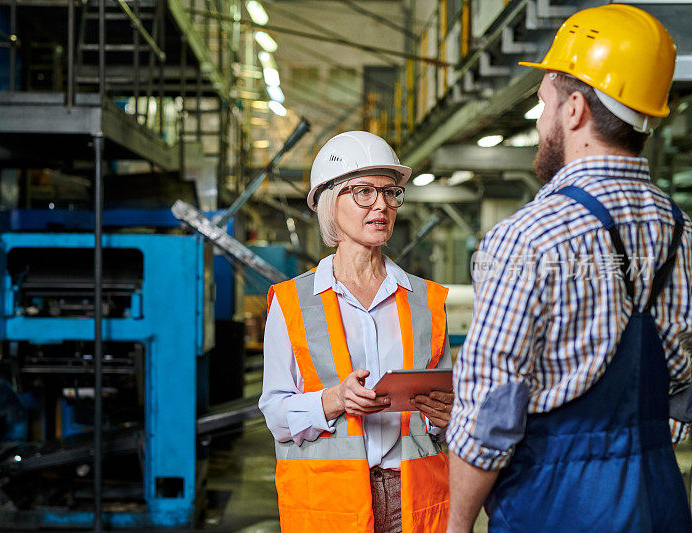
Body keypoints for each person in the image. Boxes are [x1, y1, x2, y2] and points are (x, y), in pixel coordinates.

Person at [446, 5, 692, 532]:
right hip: (660, 501)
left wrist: (457, 524)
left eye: (542, 104)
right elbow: (680, 393)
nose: (539, 122)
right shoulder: (682, 233)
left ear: (575, 108)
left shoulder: (529, 238)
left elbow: (490, 415)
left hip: (558, 510)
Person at [259, 131, 453, 533]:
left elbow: (443, 408)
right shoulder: (292, 302)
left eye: (389, 192)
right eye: (363, 192)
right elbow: (276, 414)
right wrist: (332, 400)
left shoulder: (427, 301)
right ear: (330, 202)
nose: (381, 205)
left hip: (416, 498)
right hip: (332, 504)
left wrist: (447, 416)